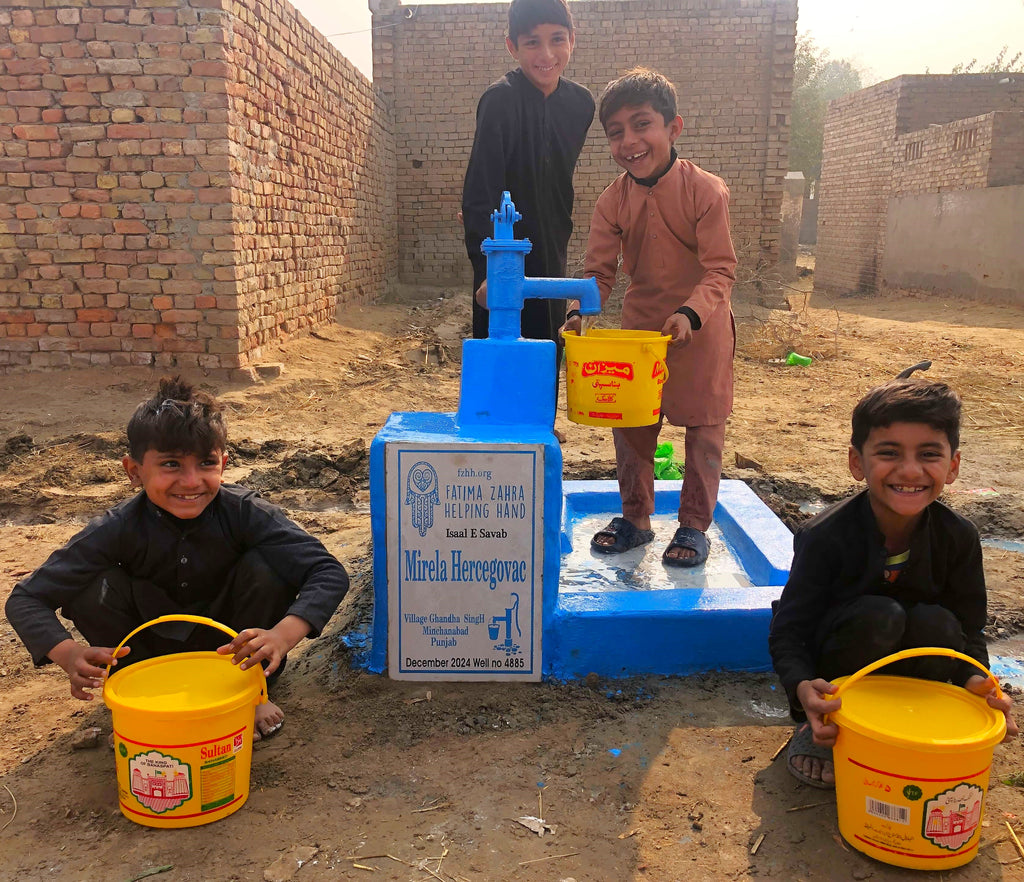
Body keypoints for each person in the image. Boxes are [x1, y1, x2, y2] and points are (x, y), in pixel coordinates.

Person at [5, 376, 349, 741]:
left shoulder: (244, 512)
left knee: (267, 567)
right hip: (149, 656)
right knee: (93, 586)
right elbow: (26, 599)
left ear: (224, 464)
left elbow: (327, 571)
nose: (191, 481)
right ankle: (146, 698)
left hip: (235, 652)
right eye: (171, 464)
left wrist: (281, 636)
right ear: (134, 471)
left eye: (206, 463)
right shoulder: (117, 527)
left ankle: (252, 693)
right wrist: (69, 653)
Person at [769, 378, 1017, 788]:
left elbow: (969, 627)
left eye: (929, 454)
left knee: (938, 625)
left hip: (915, 660)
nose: (909, 470)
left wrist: (978, 681)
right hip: (841, 664)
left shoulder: (959, 537)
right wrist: (801, 688)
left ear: (952, 466)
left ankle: (913, 721)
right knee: (879, 614)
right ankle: (825, 729)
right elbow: (789, 630)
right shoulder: (824, 535)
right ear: (856, 462)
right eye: (888, 453)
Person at [563, 67, 736, 568]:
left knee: (704, 428)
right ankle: (636, 521)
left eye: (642, 125)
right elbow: (598, 271)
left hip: (701, 329)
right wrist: (581, 310)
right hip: (641, 332)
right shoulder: (612, 199)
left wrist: (691, 313)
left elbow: (721, 268)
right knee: (633, 425)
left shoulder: (706, 191)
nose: (630, 141)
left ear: (673, 128)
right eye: (616, 133)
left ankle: (693, 526)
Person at [462, 0, 595, 347]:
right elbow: (479, 195)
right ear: (512, 47)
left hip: (554, 248)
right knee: (503, 361)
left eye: (557, 39)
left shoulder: (581, 105)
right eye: (532, 42)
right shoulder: (499, 101)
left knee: (548, 354)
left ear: (572, 39)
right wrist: (487, 269)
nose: (547, 53)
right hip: (505, 258)